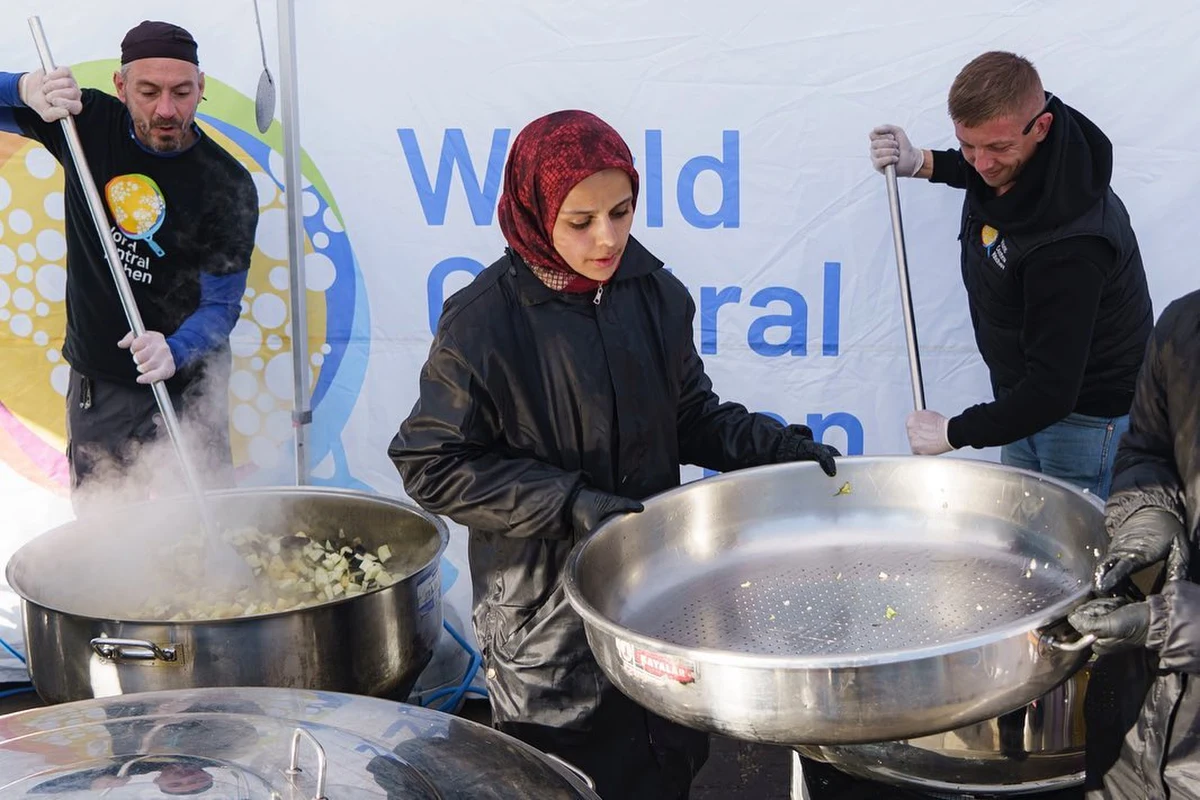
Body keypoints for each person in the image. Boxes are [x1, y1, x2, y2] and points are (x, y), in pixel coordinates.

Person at [389, 109, 841, 799]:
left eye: (621, 212)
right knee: (568, 785)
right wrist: (569, 502)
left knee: (666, 768)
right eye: (581, 221)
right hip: (545, 628)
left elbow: (689, 414)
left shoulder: (656, 294)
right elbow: (429, 462)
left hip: (654, 602)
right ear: (537, 211)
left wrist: (774, 448)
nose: (607, 239)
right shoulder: (482, 321)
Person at [867, 50, 1153, 500]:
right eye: (967, 145)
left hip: (1082, 422)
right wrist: (921, 161)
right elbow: (987, 166)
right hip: (1021, 401)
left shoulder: (1072, 247)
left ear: (1041, 127)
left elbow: (1053, 392)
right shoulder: (1024, 160)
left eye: (997, 148)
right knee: (1025, 536)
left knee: (1069, 553)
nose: (981, 165)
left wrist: (953, 432)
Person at [0, 20, 258, 504]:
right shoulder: (83, 125)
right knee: (106, 538)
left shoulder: (228, 183)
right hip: (102, 383)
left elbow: (222, 304)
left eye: (182, 92)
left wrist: (176, 349)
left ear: (201, 89)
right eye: (148, 91)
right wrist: (22, 88)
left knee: (207, 528)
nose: (166, 109)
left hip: (189, 387)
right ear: (120, 87)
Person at [1065, 289, 1200, 799]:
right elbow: (1147, 446)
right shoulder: (1186, 323)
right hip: (1132, 733)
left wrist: (1167, 624)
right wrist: (1146, 514)